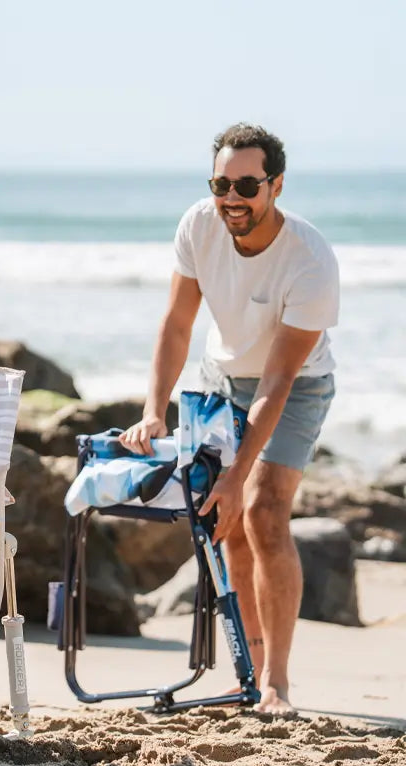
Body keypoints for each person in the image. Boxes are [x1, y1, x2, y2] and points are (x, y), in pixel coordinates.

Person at [119, 123, 338, 714]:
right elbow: (177, 324)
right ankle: (251, 669)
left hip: (294, 388)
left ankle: (277, 685)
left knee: (263, 510)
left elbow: (279, 379)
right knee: (226, 520)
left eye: (246, 183)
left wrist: (239, 471)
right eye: (221, 182)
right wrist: (153, 411)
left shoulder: (310, 260)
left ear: (276, 185)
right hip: (221, 379)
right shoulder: (199, 224)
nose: (232, 197)